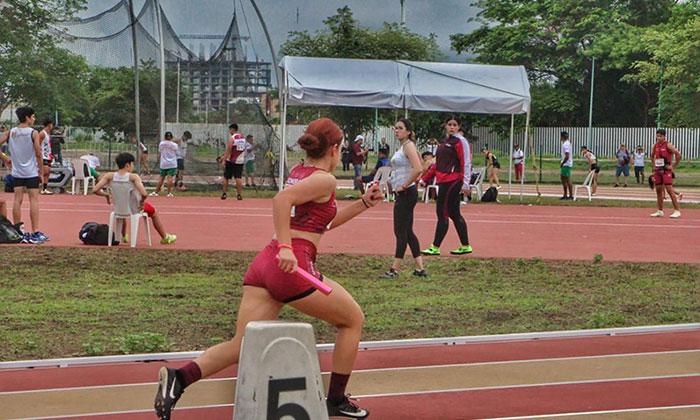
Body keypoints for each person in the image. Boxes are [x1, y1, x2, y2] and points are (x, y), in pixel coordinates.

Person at [153, 118, 378, 420]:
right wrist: (287, 248)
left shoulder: (300, 172)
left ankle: (179, 378)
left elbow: (319, 223)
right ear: (335, 149)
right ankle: (336, 400)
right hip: (291, 265)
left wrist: (363, 203)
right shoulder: (325, 180)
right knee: (352, 320)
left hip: (265, 264)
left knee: (242, 344)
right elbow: (281, 200)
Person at [93, 153, 177, 244]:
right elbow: (144, 194)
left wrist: (106, 195)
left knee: (122, 213)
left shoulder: (109, 176)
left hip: (118, 207)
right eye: (132, 164)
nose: (133, 166)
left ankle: (123, 235)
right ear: (127, 165)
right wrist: (141, 202)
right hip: (134, 208)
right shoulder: (133, 177)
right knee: (154, 213)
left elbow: (95, 190)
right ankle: (165, 237)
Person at [380, 118, 427, 279]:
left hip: (407, 193)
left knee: (400, 231)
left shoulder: (409, 146)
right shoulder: (403, 147)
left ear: (408, 131)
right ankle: (420, 267)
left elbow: (418, 169)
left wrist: (405, 185)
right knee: (407, 231)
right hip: (404, 192)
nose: (396, 130)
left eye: (400, 128)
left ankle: (394, 269)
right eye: (395, 128)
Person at [420, 117, 472, 256]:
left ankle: (435, 247)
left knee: (442, 211)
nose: (451, 127)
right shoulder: (445, 142)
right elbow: (437, 163)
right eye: (449, 124)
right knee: (454, 213)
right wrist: (425, 179)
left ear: (459, 127)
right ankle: (465, 245)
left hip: (453, 180)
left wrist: (466, 183)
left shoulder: (461, 141)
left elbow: (466, 162)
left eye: (454, 125)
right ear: (445, 126)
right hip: (442, 180)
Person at [0, 106, 49, 243]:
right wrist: (40, 171)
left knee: (17, 200)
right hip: (31, 172)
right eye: (33, 116)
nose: (34, 119)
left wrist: (5, 158)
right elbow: (39, 153)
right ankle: (35, 231)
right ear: (27, 117)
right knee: (34, 199)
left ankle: (18, 230)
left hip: (17, 172)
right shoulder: (33, 133)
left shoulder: (11, 132)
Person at [650, 129, 681, 218]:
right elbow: (652, 156)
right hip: (658, 170)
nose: (658, 138)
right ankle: (660, 210)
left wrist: (673, 166)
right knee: (658, 190)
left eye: (660, 136)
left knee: (669, 189)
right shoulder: (655, 146)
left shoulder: (668, 145)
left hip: (666, 170)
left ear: (664, 136)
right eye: (657, 136)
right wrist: (654, 166)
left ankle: (677, 210)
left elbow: (678, 155)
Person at [220, 123, 246, 200]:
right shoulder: (243, 138)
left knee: (226, 177)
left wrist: (224, 159)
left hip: (231, 161)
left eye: (230, 130)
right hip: (240, 161)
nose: (229, 131)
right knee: (238, 177)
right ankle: (239, 194)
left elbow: (229, 150)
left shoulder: (232, 138)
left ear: (232, 129)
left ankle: (224, 193)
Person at [150, 132, 179, 197]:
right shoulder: (174, 145)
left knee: (161, 178)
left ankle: (156, 192)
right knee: (170, 177)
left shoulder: (162, 143)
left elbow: (160, 151)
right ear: (171, 137)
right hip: (172, 163)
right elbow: (177, 153)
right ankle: (168, 193)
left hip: (164, 163)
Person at [39, 119, 54, 195]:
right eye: (52, 125)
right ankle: (41, 187)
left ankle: (44, 188)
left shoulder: (48, 134)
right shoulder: (42, 133)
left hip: (47, 155)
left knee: (47, 173)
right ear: (49, 125)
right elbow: (38, 144)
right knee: (44, 172)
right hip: (43, 156)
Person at [559, 131, 573, 200]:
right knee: (563, 178)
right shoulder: (568, 143)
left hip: (566, 164)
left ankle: (570, 195)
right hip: (566, 164)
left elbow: (567, 155)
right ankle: (565, 194)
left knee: (567, 179)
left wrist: (563, 162)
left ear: (562, 137)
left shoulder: (565, 145)